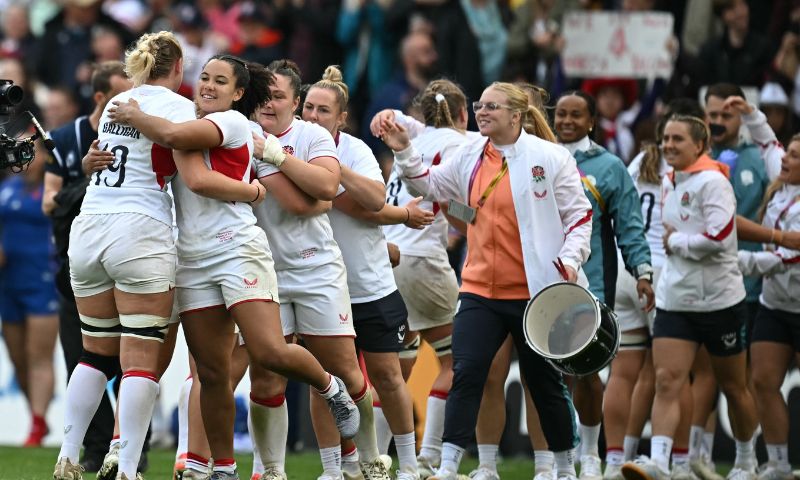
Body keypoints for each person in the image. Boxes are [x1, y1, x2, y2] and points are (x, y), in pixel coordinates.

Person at [106, 54, 361, 480]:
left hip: (237, 248)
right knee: (212, 372)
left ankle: (329, 387)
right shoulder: (187, 119)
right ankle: (222, 468)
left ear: (238, 94)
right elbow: (156, 163)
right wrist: (97, 161)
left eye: (220, 81)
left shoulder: (233, 123)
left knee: (268, 351)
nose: (208, 85)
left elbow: (192, 170)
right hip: (192, 257)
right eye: (204, 77)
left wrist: (135, 111)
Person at [52, 31, 266, 480]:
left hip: (89, 225)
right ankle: (127, 467)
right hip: (140, 229)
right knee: (141, 359)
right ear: (178, 67)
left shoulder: (117, 105)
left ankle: (68, 456)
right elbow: (178, 149)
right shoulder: (179, 108)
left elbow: (111, 153)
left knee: (94, 353)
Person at [379, 81, 592, 480]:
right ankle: (448, 465)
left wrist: (569, 259)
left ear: (517, 114)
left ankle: (564, 467)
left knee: (544, 383)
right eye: (479, 105)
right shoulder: (470, 152)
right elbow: (429, 185)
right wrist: (404, 149)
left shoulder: (550, 156)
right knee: (467, 372)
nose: (482, 112)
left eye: (492, 106)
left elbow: (580, 217)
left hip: (536, 292)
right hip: (479, 289)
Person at [247, 59, 383, 480]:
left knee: (344, 367)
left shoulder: (312, 135)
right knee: (266, 377)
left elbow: (326, 188)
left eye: (279, 97)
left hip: (315, 267)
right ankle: (271, 470)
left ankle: (370, 462)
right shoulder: (237, 132)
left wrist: (271, 155)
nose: (270, 104)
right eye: (264, 96)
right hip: (261, 268)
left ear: (296, 101)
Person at [302, 64, 430, 480]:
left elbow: (372, 201)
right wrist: (399, 216)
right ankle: (336, 468)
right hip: (319, 285)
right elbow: (354, 206)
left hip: (369, 282)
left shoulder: (353, 150)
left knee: (387, 377)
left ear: (341, 118)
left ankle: (408, 464)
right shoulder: (291, 148)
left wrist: (333, 174)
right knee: (325, 383)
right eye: (308, 107)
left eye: (324, 111)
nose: (313, 117)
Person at [620, 115, 758, 480]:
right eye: (665, 138)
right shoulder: (670, 179)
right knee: (667, 379)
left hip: (720, 301)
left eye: (677, 139)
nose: (668, 145)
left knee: (734, 387)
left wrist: (676, 242)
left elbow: (719, 238)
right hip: (675, 300)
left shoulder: (714, 182)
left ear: (699, 146)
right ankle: (661, 463)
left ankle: (747, 460)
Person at [371, 79, 473, 479]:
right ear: (464, 114)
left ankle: (375, 460)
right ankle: (430, 460)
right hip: (424, 259)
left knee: (394, 370)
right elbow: (461, 210)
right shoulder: (464, 145)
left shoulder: (413, 137)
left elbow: (398, 121)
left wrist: (387, 115)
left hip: (388, 258)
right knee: (456, 360)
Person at [552, 90, 654, 480]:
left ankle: (591, 456)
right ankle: (557, 462)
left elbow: (629, 225)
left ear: (592, 121)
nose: (567, 121)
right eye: (561, 114)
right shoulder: (535, 156)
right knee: (549, 377)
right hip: (537, 282)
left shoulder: (610, 167)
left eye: (576, 115)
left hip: (590, 283)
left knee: (585, 373)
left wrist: (642, 272)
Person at [41, 61, 132, 471]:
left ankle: (130, 447)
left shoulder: (142, 131)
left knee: (133, 359)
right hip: (76, 267)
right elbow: (49, 202)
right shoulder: (65, 139)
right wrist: (86, 175)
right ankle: (92, 450)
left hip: (128, 260)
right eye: (121, 95)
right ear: (100, 97)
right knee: (85, 357)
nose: (131, 102)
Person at [738, 134, 800, 480]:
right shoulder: (781, 187)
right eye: (787, 153)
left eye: (794, 156)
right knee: (762, 381)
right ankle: (778, 464)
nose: (785, 160)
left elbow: (790, 255)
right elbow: (766, 143)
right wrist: (748, 112)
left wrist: (740, 260)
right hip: (774, 304)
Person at [0, 138, 59, 448]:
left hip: (41, 278)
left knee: (39, 356)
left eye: (29, 151)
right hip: (9, 281)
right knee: (17, 356)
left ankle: (37, 425)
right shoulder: (8, 186)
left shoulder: (52, 188)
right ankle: (36, 416)